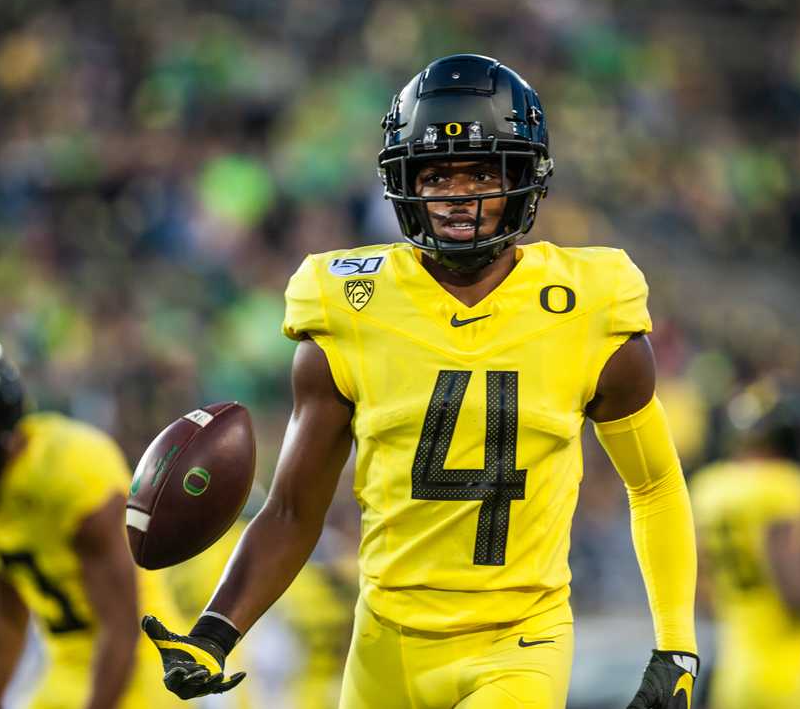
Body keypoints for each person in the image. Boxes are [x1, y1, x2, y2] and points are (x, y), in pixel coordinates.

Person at [142, 53, 699, 709]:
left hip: (517, 641)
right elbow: (293, 509)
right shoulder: (349, 306)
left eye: (480, 172)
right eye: (437, 173)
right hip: (385, 644)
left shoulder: (589, 302)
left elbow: (654, 483)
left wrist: (675, 643)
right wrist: (214, 633)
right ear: (404, 182)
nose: (458, 194)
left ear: (523, 177)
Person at [0, 344, 181, 709]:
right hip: (65, 670)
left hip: (140, 673)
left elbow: (123, 628)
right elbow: (7, 612)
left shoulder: (70, 472)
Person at [689, 378, 800, 709]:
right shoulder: (787, 485)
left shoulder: (707, 487)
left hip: (733, 673)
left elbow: (698, 588)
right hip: (788, 677)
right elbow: (795, 590)